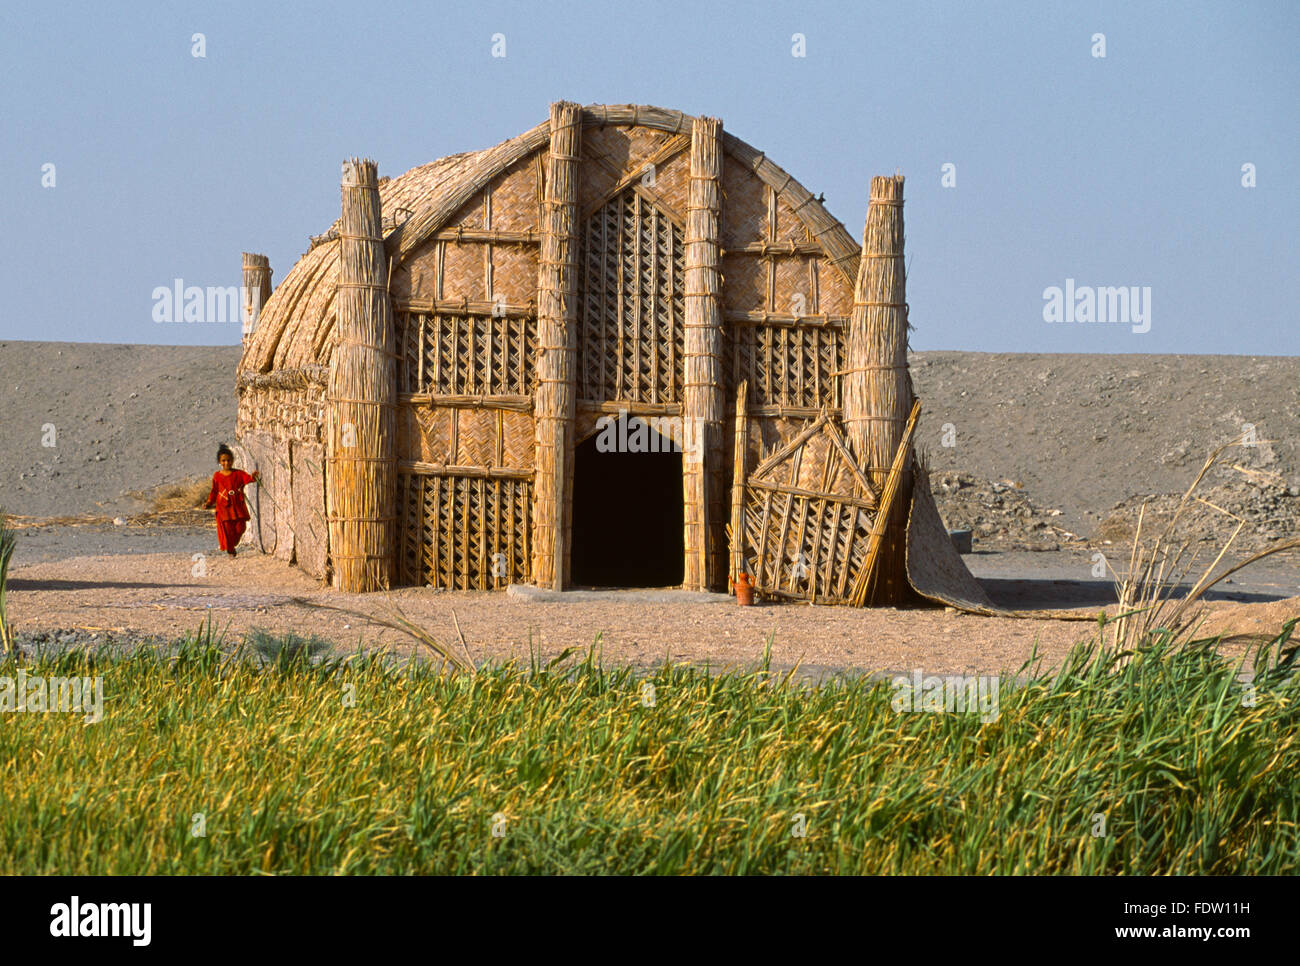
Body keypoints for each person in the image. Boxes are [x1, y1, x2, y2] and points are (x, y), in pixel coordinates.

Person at [204, 444, 259, 557]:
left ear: (232, 460)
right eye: (223, 461)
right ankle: (230, 549)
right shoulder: (217, 476)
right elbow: (214, 491)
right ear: (220, 462)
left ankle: (231, 545)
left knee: (241, 527)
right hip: (224, 507)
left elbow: (248, 479)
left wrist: (253, 477)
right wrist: (209, 502)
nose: (226, 463)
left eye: (229, 460)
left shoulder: (238, 474)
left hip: (237, 506)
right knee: (227, 530)